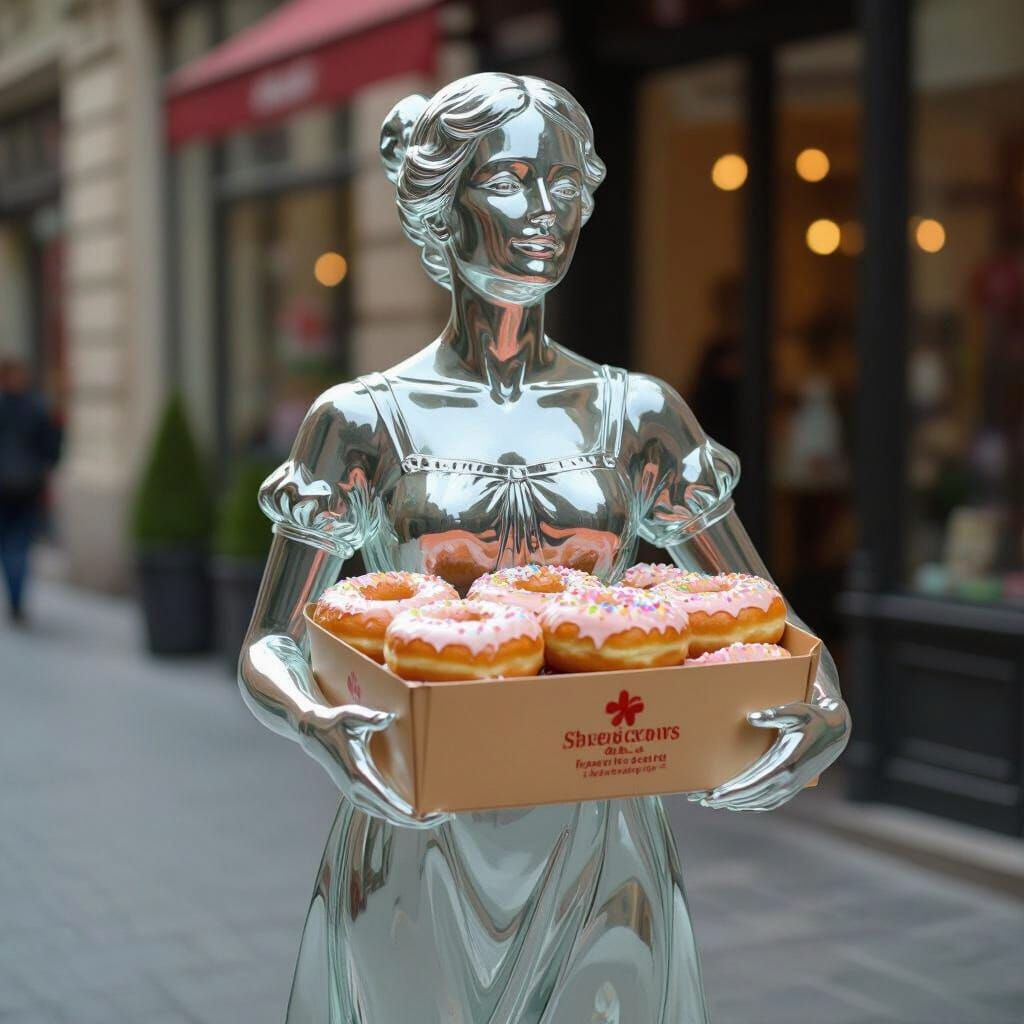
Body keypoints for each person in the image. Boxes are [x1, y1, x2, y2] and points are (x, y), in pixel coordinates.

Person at [240, 74, 850, 1023]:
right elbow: (270, 643)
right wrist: (319, 727)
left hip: (603, 835)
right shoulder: (360, 420)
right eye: (513, 181)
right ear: (445, 201)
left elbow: (768, 621)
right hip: (416, 837)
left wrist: (822, 706)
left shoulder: (640, 413)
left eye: (567, 189)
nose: (545, 216)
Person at [0, 357, 61, 624]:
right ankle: (16, 599)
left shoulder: (37, 407)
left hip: (16, 486)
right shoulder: (37, 406)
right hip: (26, 483)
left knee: (13, 545)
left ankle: (15, 597)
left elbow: (51, 444)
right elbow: (52, 447)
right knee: (19, 545)